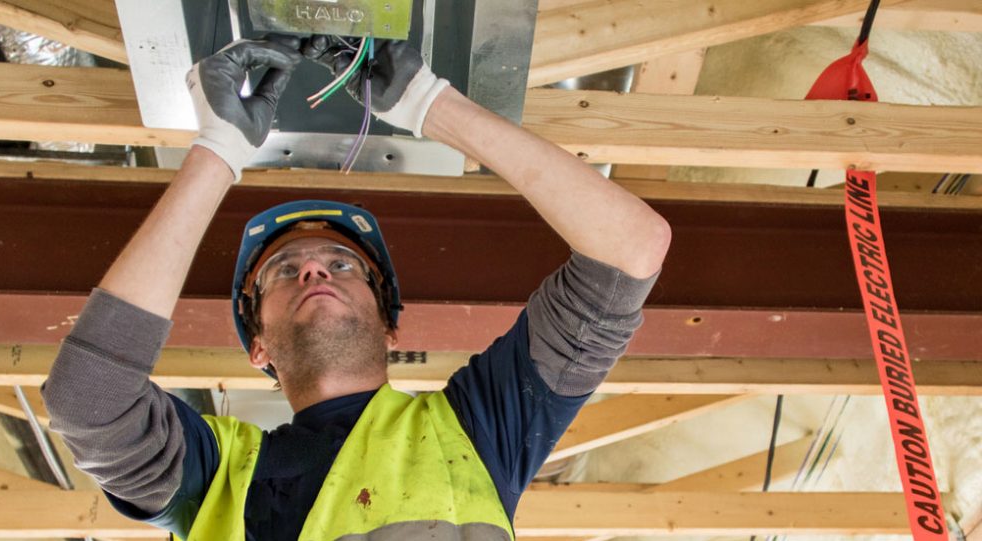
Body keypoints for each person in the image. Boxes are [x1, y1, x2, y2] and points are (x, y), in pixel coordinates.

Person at [42, 34, 671, 540]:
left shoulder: (476, 428)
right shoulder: (219, 477)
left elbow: (631, 247)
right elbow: (88, 399)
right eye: (284, 272)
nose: (314, 270)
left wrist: (433, 104)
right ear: (257, 346)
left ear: (390, 323)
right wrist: (217, 149)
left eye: (342, 266)